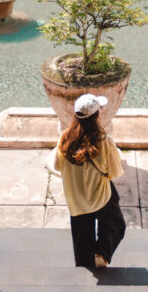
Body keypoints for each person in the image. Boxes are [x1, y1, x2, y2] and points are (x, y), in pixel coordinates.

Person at [52, 94, 126, 269]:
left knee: (82, 241)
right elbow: (114, 173)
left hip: (76, 199)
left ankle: (86, 268)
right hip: (100, 196)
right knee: (116, 225)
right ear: (96, 116)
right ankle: (101, 254)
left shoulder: (64, 138)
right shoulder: (104, 141)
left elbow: (57, 165)